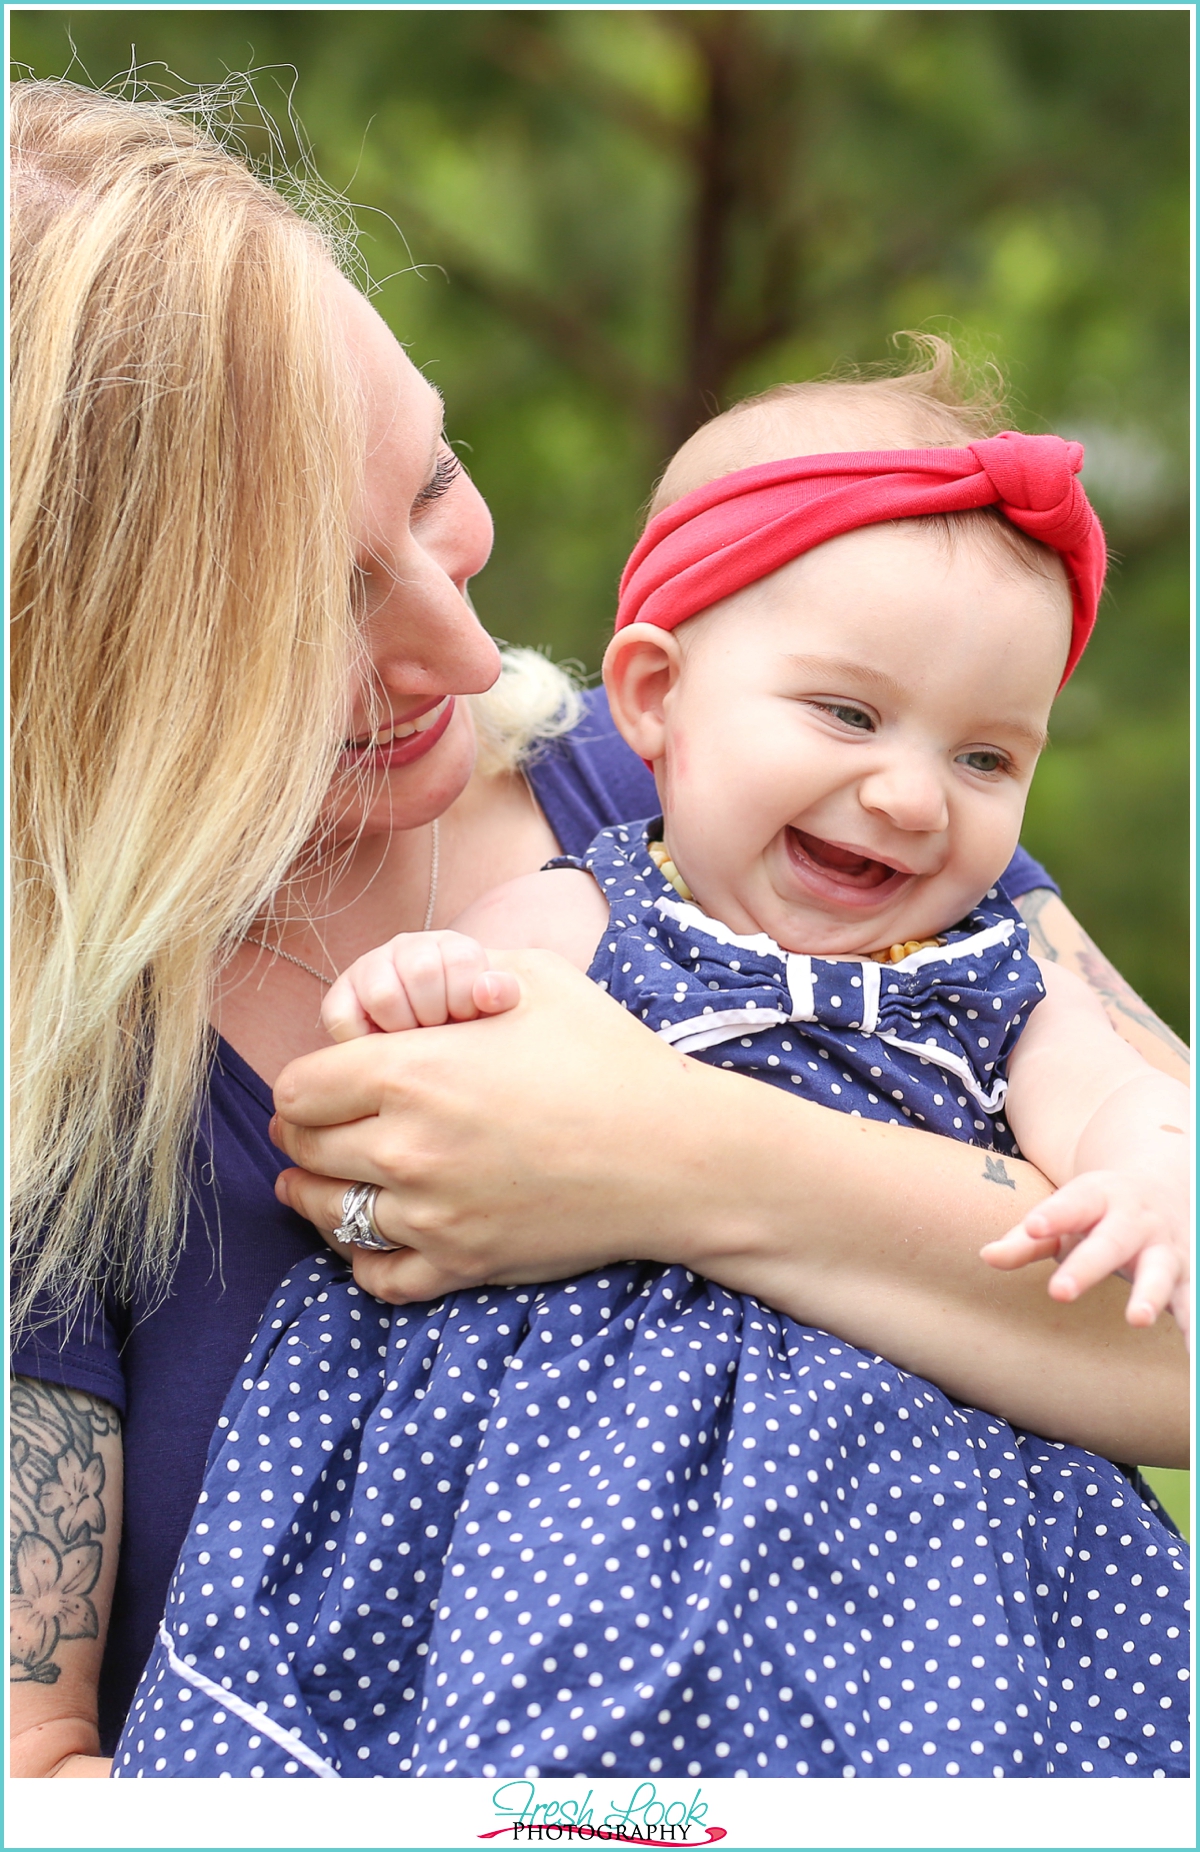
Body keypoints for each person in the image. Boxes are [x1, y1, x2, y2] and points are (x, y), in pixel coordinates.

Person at [8, 79, 1187, 1780]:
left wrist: (661, 1155)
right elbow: (34, 1783)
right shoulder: (57, 1090)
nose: (473, 655)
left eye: (431, 484)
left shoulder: (781, 824)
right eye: (311, 607)